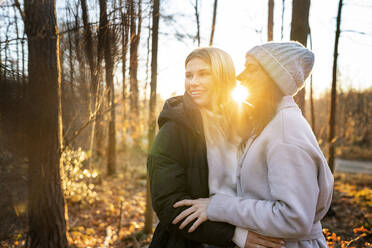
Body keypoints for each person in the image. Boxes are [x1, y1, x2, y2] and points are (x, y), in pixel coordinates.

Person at [173, 41, 334, 248]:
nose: (240, 76)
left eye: (251, 69)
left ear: (273, 78)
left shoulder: (286, 131)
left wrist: (218, 206)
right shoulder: (268, 124)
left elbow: (293, 218)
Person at [147, 47, 284, 248]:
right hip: (189, 243)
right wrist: (234, 235)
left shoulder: (250, 120)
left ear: (223, 77)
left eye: (203, 74)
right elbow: (169, 204)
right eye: (189, 75)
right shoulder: (173, 129)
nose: (193, 82)